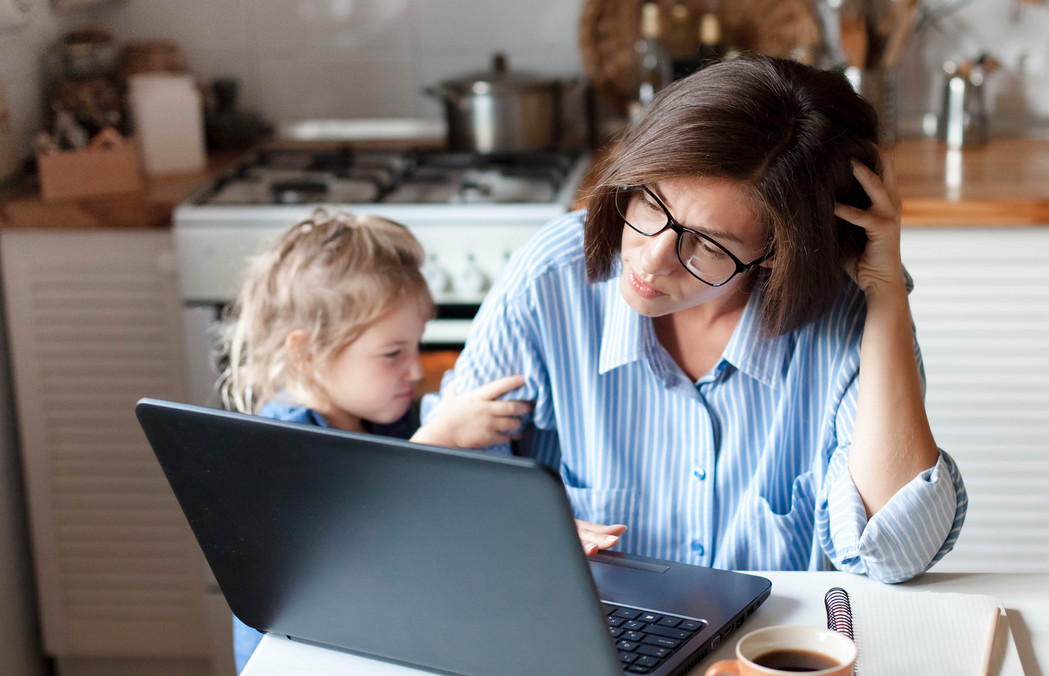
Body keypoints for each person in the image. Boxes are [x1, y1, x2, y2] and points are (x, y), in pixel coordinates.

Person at [430, 54, 967, 583]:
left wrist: (887, 291)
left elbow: (895, 554)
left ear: (777, 254)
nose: (651, 257)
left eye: (706, 244)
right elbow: (442, 487)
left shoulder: (849, 317)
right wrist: (529, 531)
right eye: (649, 202)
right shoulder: (552, 279)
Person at [216, 210, 529, 672]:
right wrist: (440, 438)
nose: (416, 371)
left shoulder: (385, 418)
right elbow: (363, 548)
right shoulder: (282, 448)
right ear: (307, 353)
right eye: (392, 354)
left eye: (416, 346)